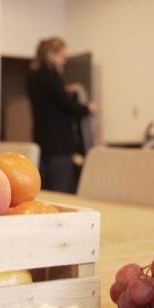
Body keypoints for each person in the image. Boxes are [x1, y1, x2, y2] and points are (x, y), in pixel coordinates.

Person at [27, 37, 97, 193]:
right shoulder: (51, 76)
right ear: (51, 54)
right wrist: (87, 108)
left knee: (47, 187)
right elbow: (67, 105)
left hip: (42, 140)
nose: (64, 61)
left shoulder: (33, 76)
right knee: (61, 188)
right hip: (59, 144)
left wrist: (63, 90)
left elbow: (52, 100)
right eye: (62, 56)